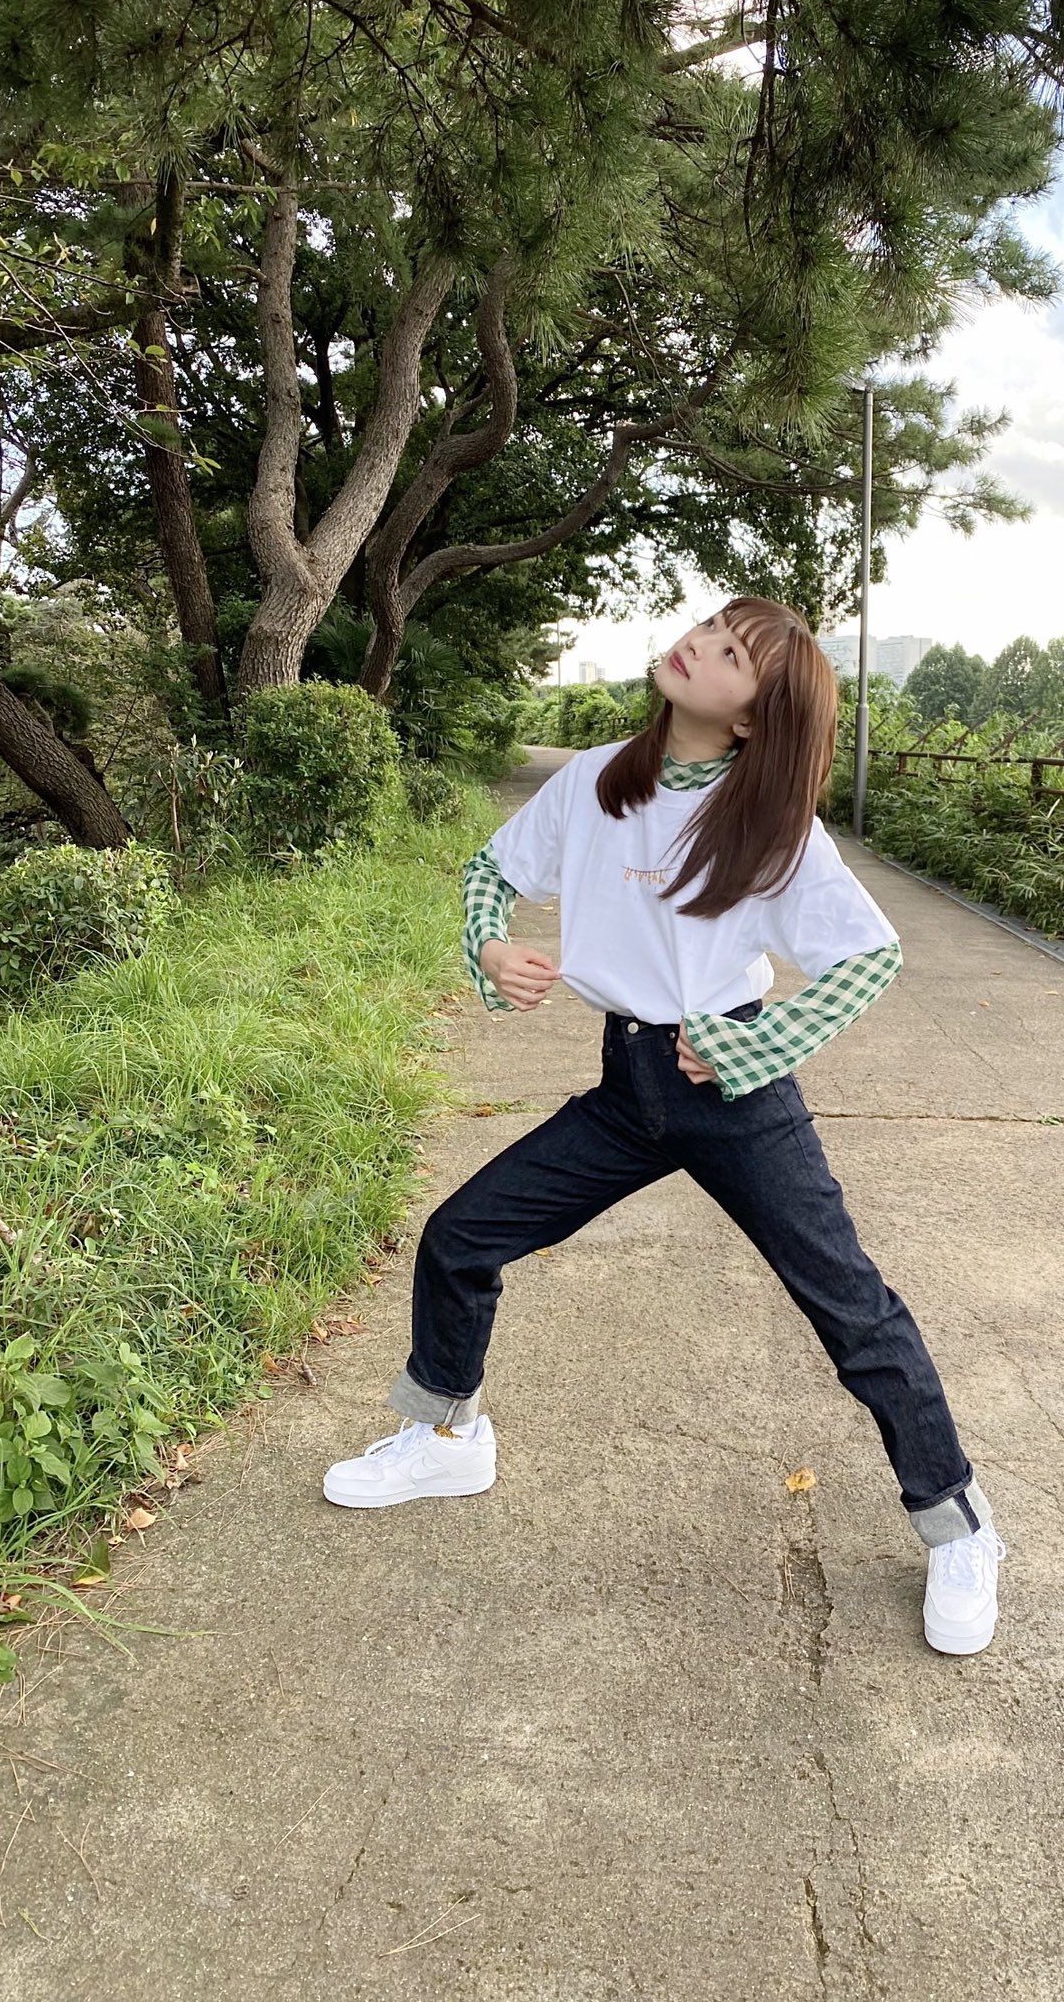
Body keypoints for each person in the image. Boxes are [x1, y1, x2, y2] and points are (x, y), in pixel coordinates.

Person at [323, 596, 1003, 1655]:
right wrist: (492, 949)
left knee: (853, 1312)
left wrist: (757, 1045)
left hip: (734, 1095)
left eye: (732, 652)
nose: (699, 644)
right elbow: (490, 872)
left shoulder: (770, 821)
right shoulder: (597, 778)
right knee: (461, 1236)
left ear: (752, 717)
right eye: (710, 627)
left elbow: (869, 956)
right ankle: (448, 1434)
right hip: (627, 1089)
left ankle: (959, 1525)